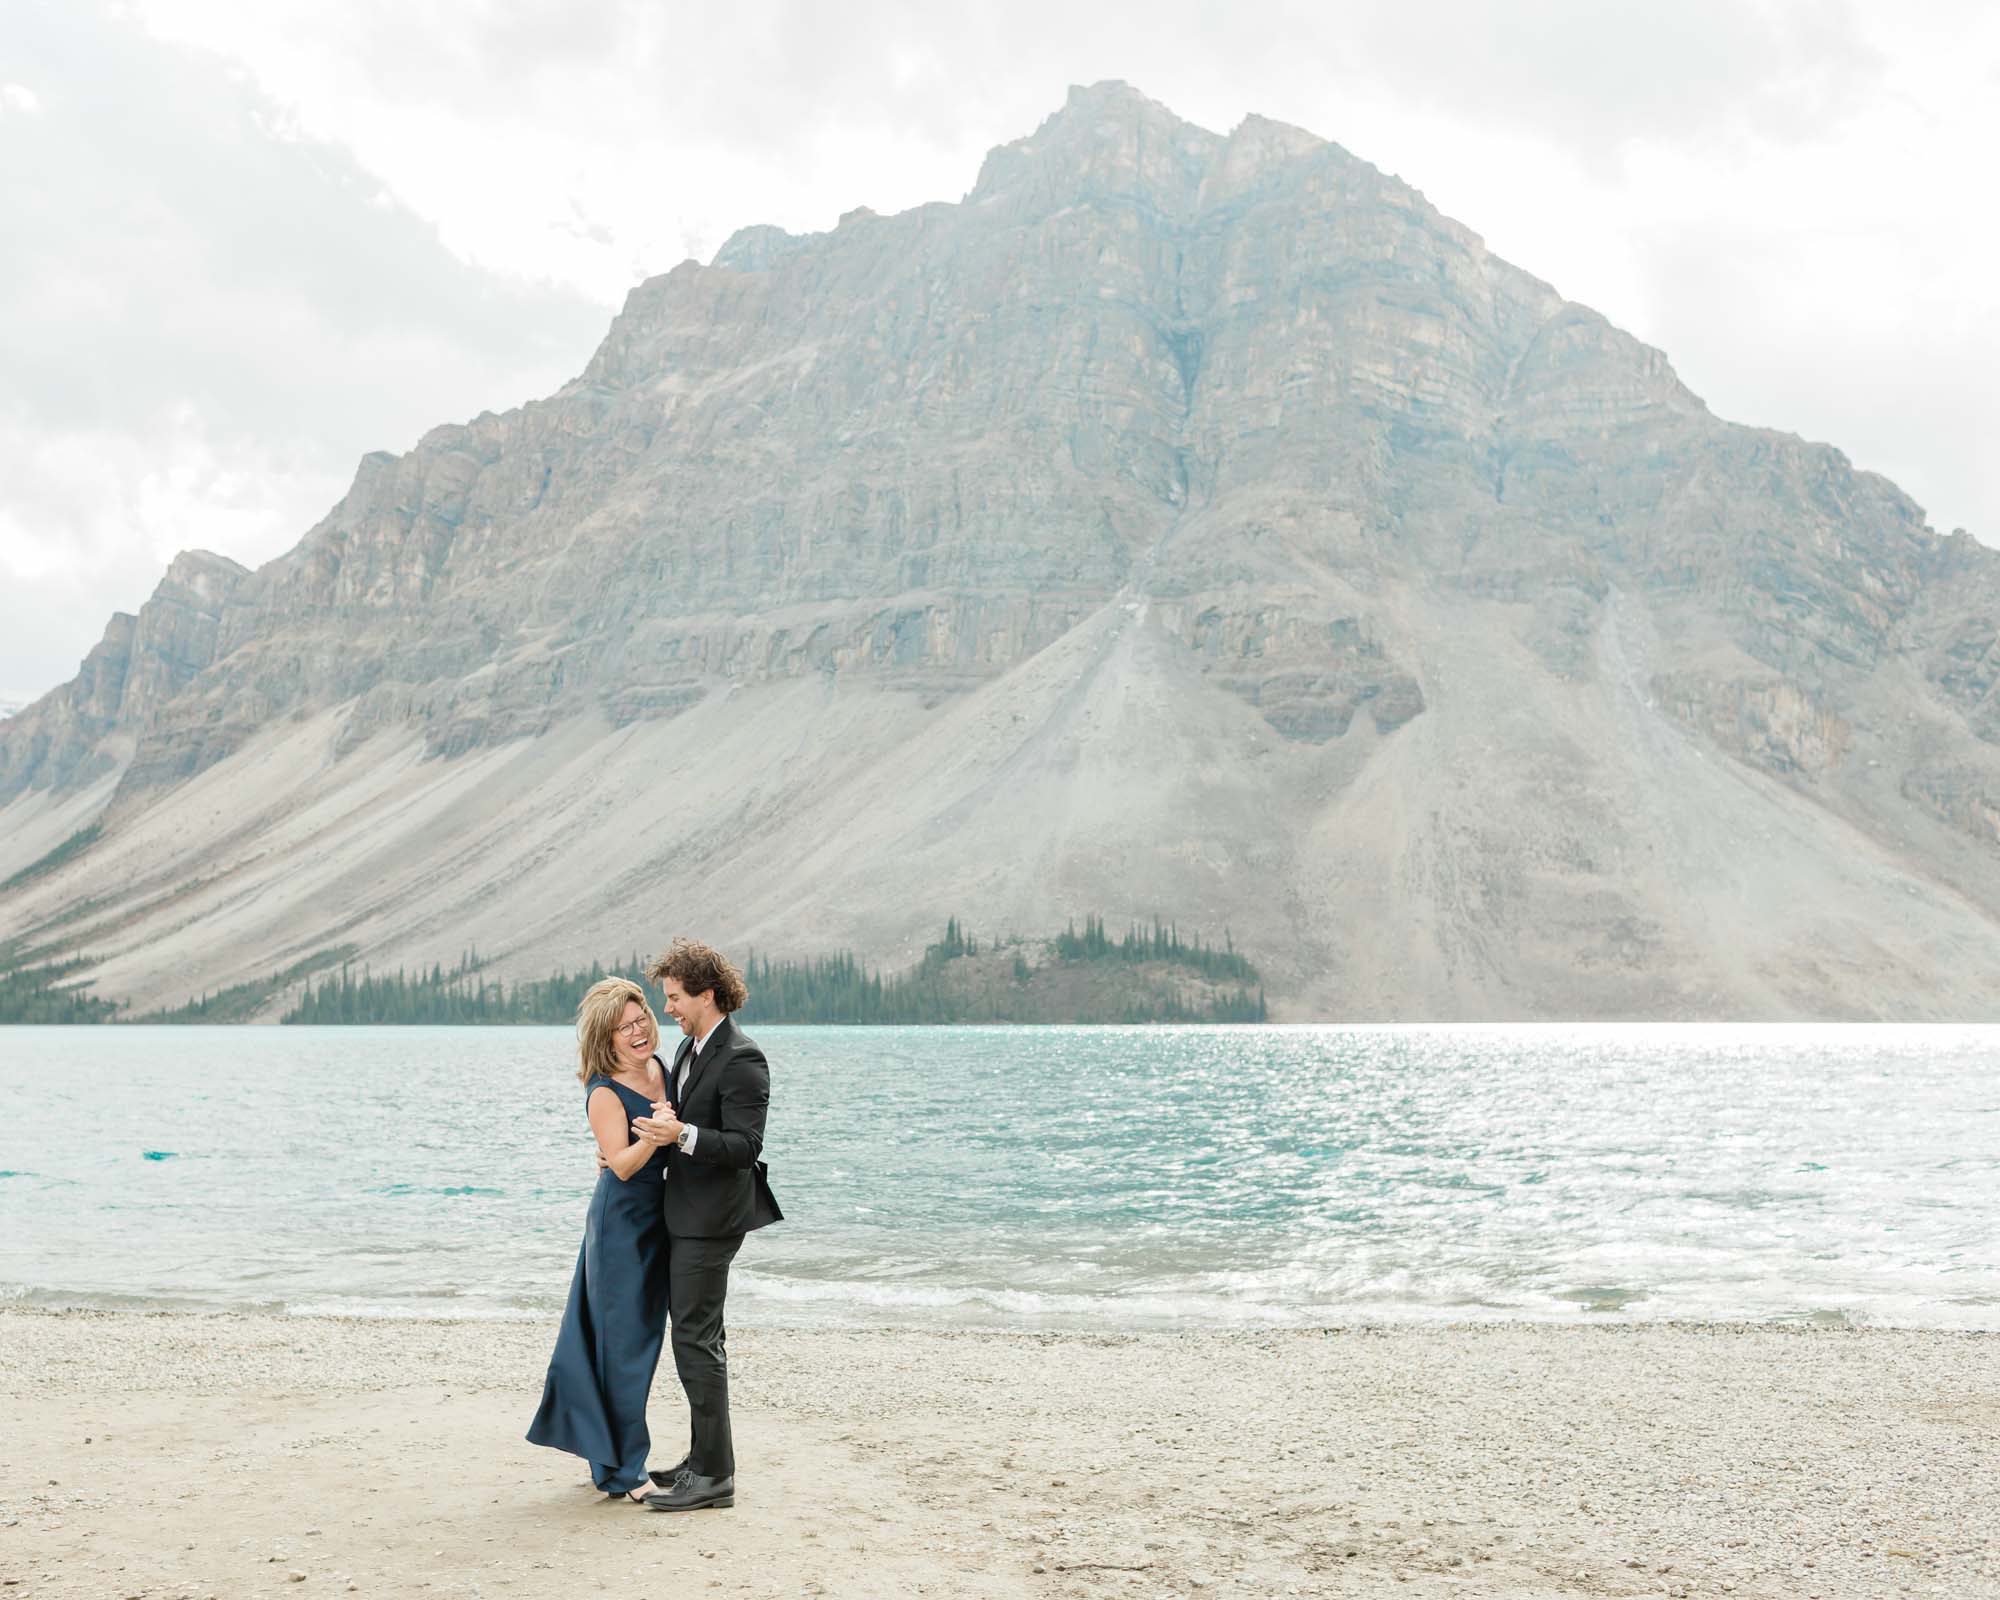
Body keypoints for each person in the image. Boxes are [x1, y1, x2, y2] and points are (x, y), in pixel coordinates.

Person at [629, 937, 782, 1513]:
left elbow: (746, 1147)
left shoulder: (742, 1057)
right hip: (686, 1213)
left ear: (706, 994)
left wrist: (682, 1136)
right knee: (697, 1338)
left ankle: (715, 1477)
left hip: (712, 1222)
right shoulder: (692, 1049)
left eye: (673, 997)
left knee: (695, 1341)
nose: (665, 1008)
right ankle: (702, 1459)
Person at [525, 977, 672, 1502]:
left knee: (643, 1342)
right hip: (621, 1227)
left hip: (661, 1223)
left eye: (642, 1019)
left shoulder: (660, 1067)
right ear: (605, 1040)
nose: (638, 1032)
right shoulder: (604, 1092)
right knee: (623, 1346)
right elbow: (624, 1167)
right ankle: (625, 1471)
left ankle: (612, 1462)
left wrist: (661, 1134)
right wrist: (654, 1137)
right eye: (624, 1027)